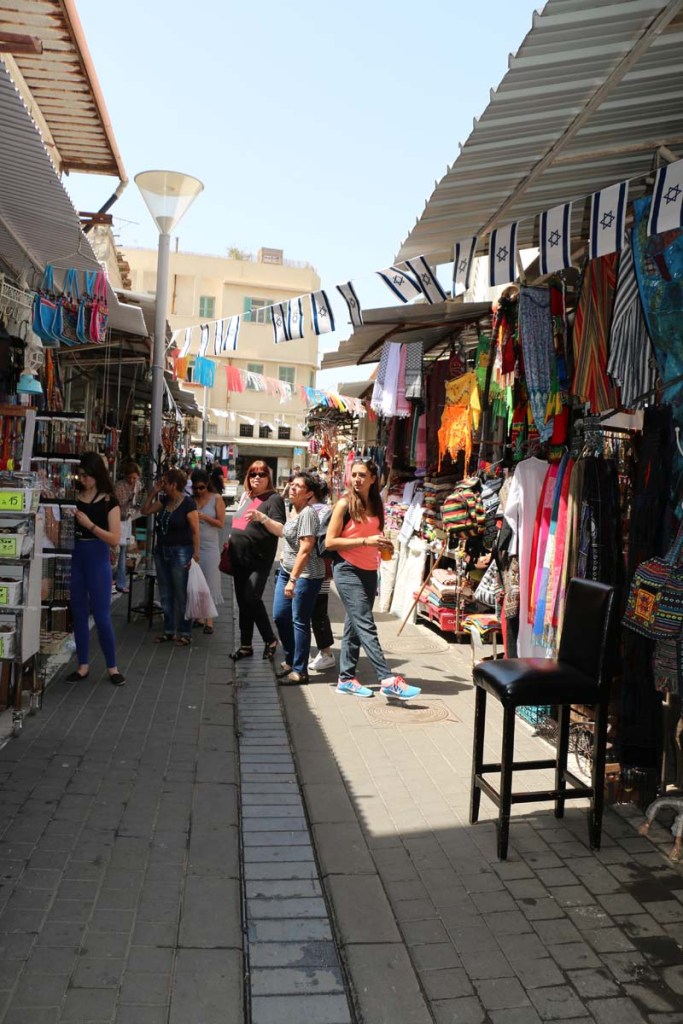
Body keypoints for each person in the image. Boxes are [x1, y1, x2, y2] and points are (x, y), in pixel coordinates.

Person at [324, 458, 421, 700]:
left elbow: (372, 533)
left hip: (369, 570)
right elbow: (330, 542)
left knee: (354, 627)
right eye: (353, 475)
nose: (356, 479)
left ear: (373, 479)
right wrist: (365, 542)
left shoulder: (377, 503)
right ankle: (387, 678)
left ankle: (346, 679)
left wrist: (382, 545)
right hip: (346, 570)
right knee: (365, 623)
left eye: (361, 475)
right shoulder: (344, 504)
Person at [246, 471, 325, 685]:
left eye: (299, 486)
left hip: (305, 576)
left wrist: (293, 580)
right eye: (292, 484)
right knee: (280, 616)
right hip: (286, 571)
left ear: (309, 493)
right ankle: (290, 659)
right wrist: (262, 518)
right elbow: (283, 532)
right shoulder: (293, 509)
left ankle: (300, 670)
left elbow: (306, 548)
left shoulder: (308, 513)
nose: (293, 488)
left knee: (299, 621)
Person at [68, 452, 125, 685]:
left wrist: (88, 525)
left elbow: (114, 539)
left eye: (88, 476)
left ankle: (112, 667)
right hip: (76, 558)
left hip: (97, 559)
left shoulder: (109, 501)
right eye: (81, 475)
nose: (84, 480)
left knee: (102, 616)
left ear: (97, 475)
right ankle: (83, 665)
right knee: (79, 614)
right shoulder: (72, 498)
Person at [228, 461, 286, 662]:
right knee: (243, 602)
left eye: (262, 474)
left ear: (268, 477)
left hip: (258, 559)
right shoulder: (247, 497)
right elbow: (239, 524)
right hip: (239, 558)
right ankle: (245, 645)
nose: (257, 477)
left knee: (252, 598)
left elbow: (280, 529)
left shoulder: (274, 499)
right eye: (252, 473)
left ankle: (270, 639)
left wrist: (263, 518)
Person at [141, 468, 199, 647]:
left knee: (181, 593)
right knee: (165, 593)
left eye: (165, 482)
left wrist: (196, 554)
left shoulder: (188, 504)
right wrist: (153, 492)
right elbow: (145, 510)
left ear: (174, 484)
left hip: (181, 551)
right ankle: (169, 630)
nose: (162, 484)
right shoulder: (165, 500)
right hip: (162, 550)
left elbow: (195, 530)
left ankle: (185, 632)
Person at [191, 469, 225, 634]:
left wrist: (204, 517)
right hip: (194, 546)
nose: (198, 491)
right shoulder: (191, 500)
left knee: (210, 581)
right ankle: (198, 616)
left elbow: (221, 523)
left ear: (207, 485)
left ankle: (209, 621)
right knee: (196, 582)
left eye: (201, 487)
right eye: (195, 488)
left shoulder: (216, 499)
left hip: (211, 547)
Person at [308, 475, 336, 672]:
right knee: (314, 610)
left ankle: (326, 653)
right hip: (311, 568)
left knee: (317, 611)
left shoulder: (322, 511)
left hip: (318, 568)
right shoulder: (309, 509)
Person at [113, 461, 141, 594]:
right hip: (117, 520)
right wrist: (130, 499)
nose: (132, 480)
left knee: (123, 551)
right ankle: (118, 581)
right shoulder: (120, 486)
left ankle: (120, 581)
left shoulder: (138, 485)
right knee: (116, 552)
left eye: (134, 477)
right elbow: (118, 504)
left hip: (127, 520)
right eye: (129, 477)